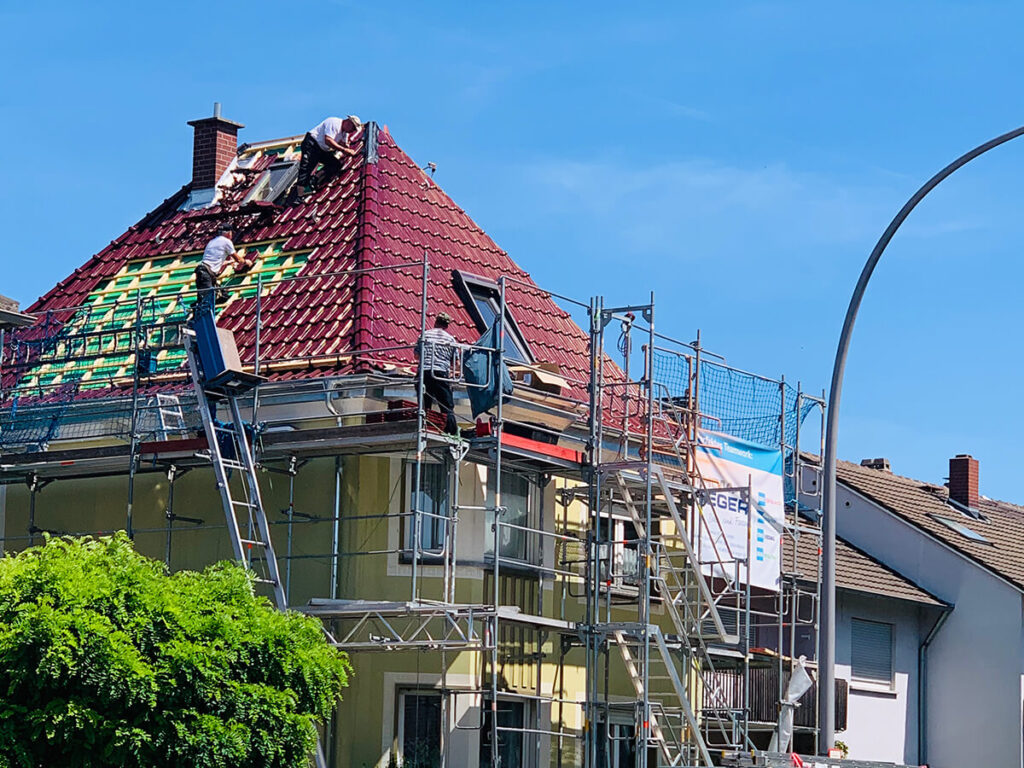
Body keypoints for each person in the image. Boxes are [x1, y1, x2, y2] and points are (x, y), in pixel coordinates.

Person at [295, 115, 362, 197]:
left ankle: (315, 179)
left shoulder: (345, 133)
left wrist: (348, 149)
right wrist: (344, 150)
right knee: (306, 167)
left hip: (322, 149)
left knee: (335, 164)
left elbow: (343, 143)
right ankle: (298, 196)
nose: (352, 131)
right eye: (353, 128)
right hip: (312, 144)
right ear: (349, 122)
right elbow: (328, 140)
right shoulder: (334, 123)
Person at [418, 313, 460, 436]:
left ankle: (424, 427)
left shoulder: (424, 335)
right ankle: (451, 431)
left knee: (425, 403)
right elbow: (456, 362)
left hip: (424, 373)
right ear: (446, 326)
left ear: (435, 322)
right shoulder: (450, 339)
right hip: (441, 374)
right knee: (447, 406)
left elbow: (416, 355)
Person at [194, 227, 250, 313]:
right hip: (206, 274)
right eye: (231, 232)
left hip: (204, 272)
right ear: (228, 233)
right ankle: (198, 315)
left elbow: (213, 260)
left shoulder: (212, 242)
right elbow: (238, 259)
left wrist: (229, 262)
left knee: (222, 295)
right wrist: (246, 261)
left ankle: (200, 310)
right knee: (206, 300)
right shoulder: (226, 241)